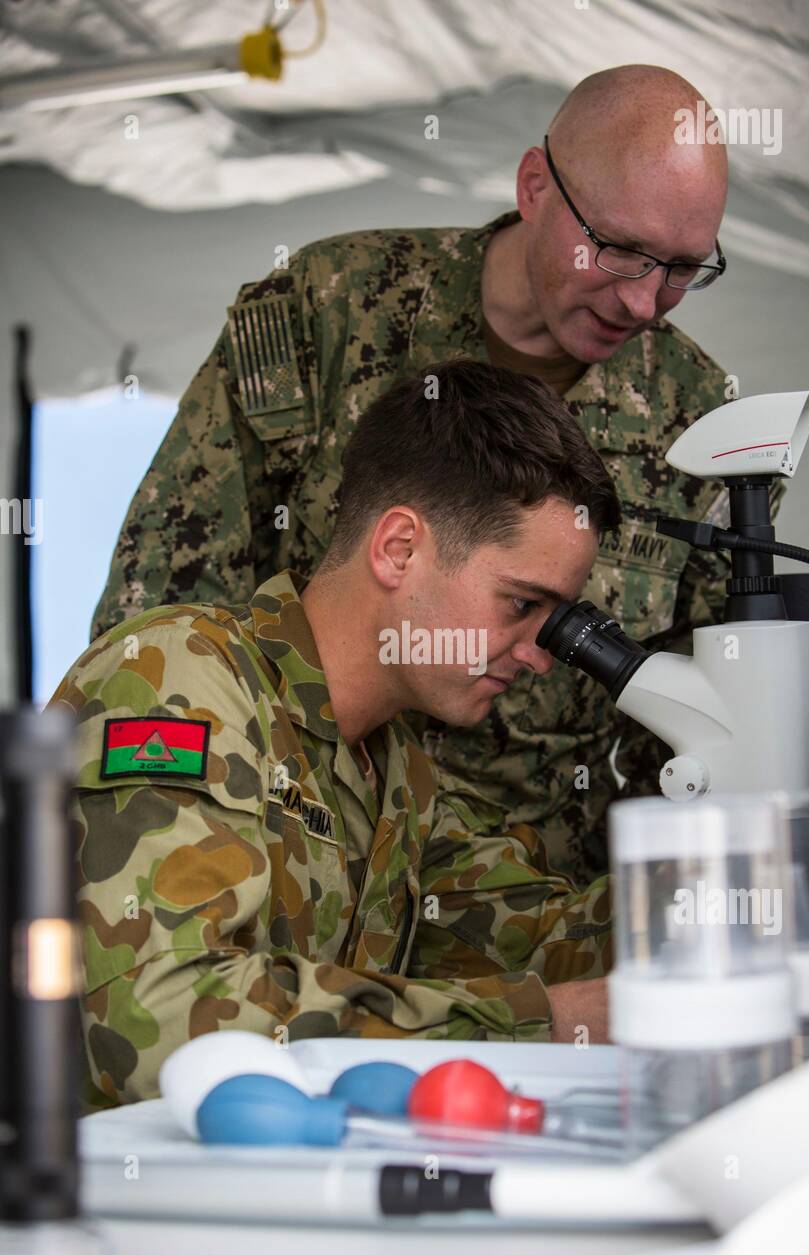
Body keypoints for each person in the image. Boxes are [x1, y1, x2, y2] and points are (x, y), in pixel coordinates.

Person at [91, 64, 742, 884]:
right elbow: (161, 600)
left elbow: (693, 726)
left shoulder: (706, 425)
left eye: (684, 269)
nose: (645, 303)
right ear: (535, 186)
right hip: (287, 853)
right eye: (619, 252)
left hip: (519, 902)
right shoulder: (328, 309)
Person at [53, 360, 621, 1110]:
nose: (538, 654)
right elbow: (159, 1017)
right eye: (519, 603)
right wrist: (538, 1025)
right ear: (397, 549)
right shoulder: (177, 678)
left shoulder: (397, 771)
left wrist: (749, 883)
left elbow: (541, 938)